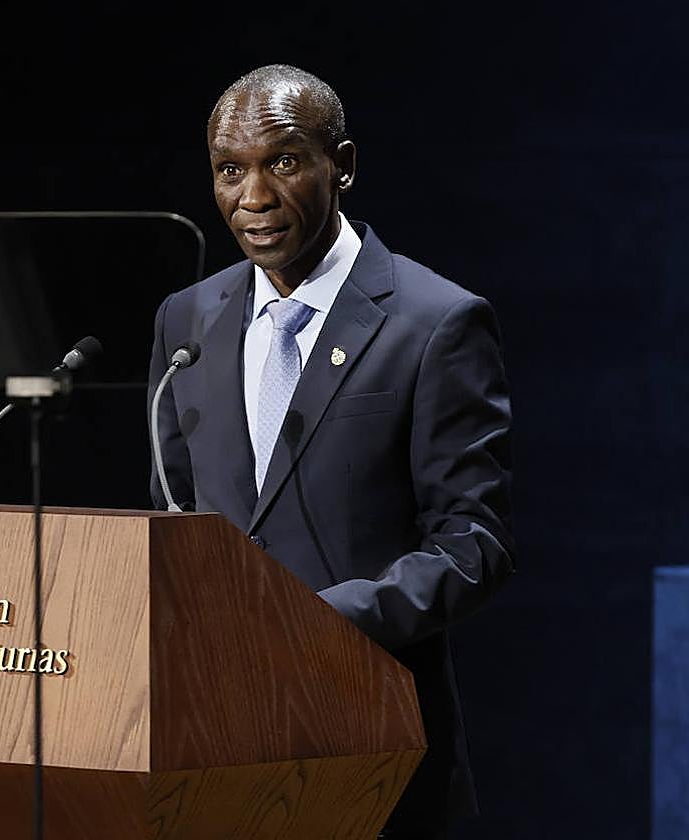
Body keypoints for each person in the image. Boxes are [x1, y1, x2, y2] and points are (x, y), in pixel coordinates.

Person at [148, 64, 514, 839]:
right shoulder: (187, 319)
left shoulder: (436, 322)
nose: (253, 197)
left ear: (340, 165)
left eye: (282, 162)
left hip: (370, 738)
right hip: (211, 741)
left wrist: (311, 624)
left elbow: (473, 548)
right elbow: (174, 520)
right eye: (229, 170)